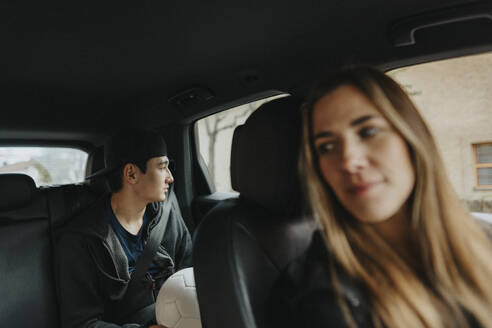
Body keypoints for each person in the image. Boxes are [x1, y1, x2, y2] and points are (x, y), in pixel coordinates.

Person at [270, 66, 492, 328]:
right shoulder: (324, 294)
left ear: (411, 138)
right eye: (326, 147)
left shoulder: (483, 238)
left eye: (368, 132)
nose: (349, 161)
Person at [57, 128, 193, 328]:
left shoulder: (168, 216)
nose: (170, 177)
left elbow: (191, 274)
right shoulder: (81, 239)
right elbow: (81, 323)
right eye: (162, 167)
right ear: (131, 174)